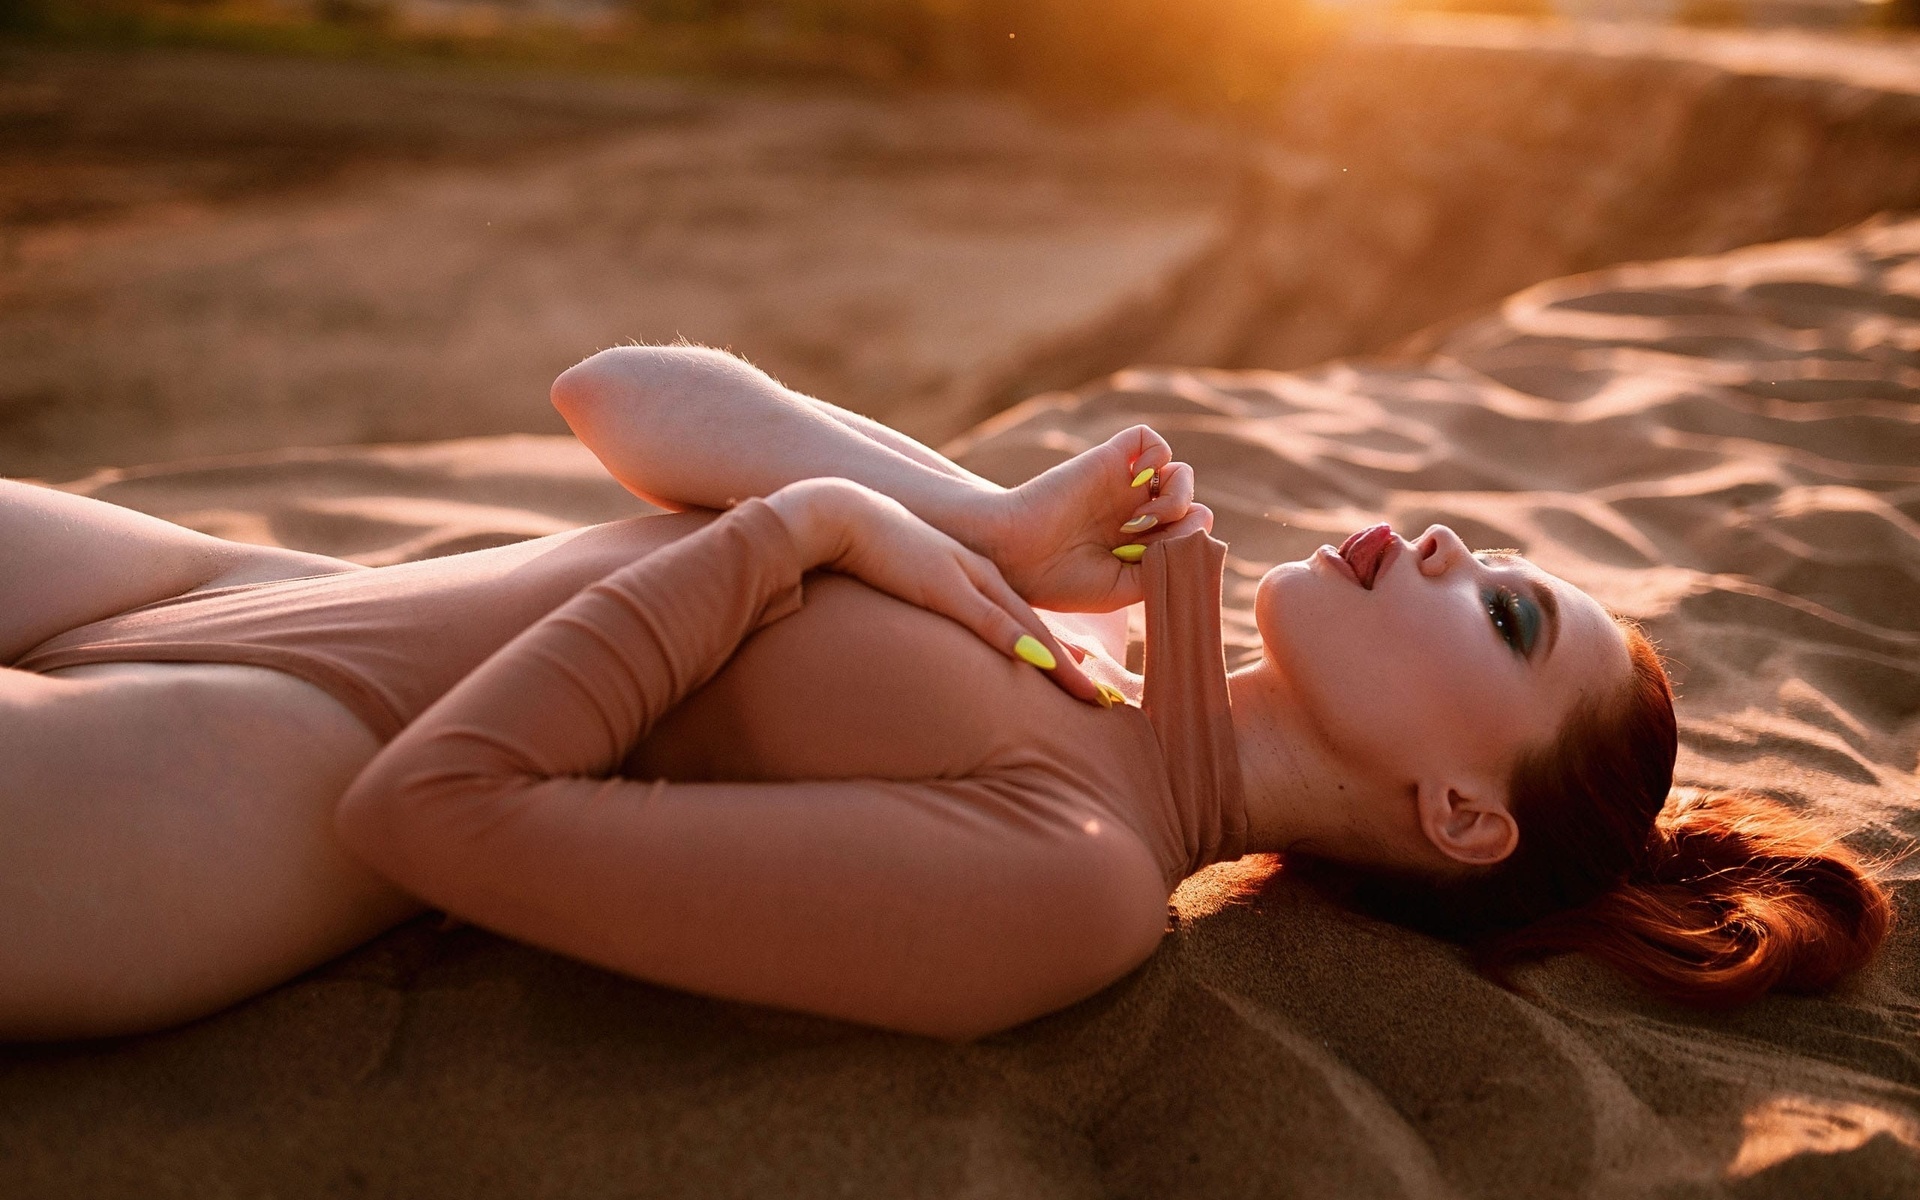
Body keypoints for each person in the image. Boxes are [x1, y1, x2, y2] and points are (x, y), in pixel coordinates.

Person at [0, 347, 1888, 1042]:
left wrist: (807, 529)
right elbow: (621, 393)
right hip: (214, 574)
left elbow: (432, 815)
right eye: (1495, 558)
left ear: (1458, 817)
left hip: (232, 786)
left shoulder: (1072, 877)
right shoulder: (1090, 623)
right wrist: (977, 513)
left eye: (1501, 625)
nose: (1448, 547)